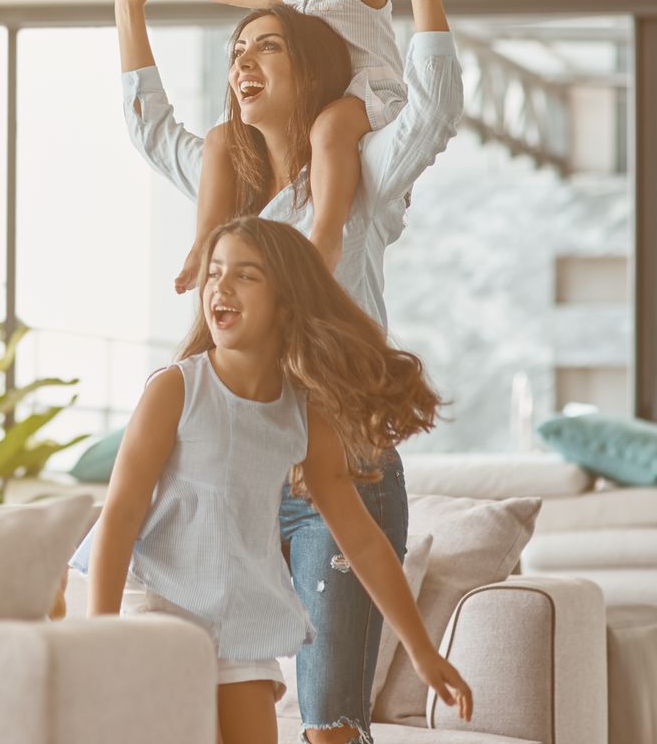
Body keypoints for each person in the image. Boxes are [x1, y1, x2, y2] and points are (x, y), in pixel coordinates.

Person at [113, 0, 463, 743]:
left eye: (265, 45)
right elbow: (149, 126)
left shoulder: (361, 176)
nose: (242, 60)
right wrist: (132, 5)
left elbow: (436, 108)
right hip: (225, 473)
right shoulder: (225, 188)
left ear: (308, 69)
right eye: (237, 48)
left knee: (330, 719)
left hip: (331, 468)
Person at [78, 217, 472, 744]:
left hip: (241, 619)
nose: (219, 286)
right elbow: (120, 516)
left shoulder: (305, 415)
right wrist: (99, 635)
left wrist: (424, 652)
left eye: (245, 276)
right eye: (215, 272)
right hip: (161, 601)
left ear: (287, 303)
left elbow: (361, 540)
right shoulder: (175, 390)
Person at [125, 0, 410, 290]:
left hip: (369, 100)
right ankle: (205, 240)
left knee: (330, 129)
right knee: (223, 135)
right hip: (328, 106)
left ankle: (327, 236)